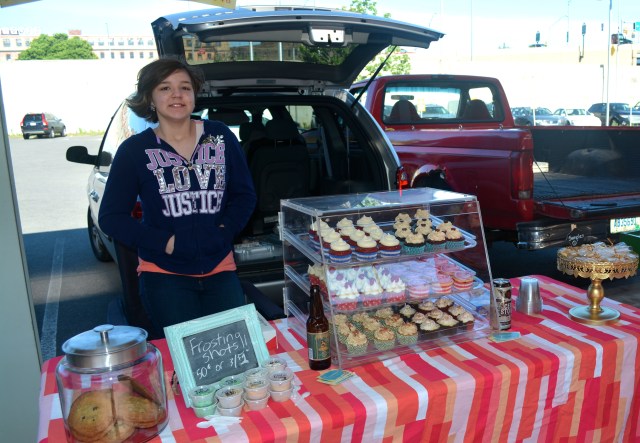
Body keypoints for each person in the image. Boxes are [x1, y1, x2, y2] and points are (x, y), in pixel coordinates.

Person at [99, 58, 257, 338]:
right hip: (164, 276)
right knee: (185, 360)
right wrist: (166, 243)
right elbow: (111, 218)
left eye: (185, 87)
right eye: (165, 88)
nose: (177, 94)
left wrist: (224, 232)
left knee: (233, 352)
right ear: (149, 97)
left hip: (220, 268)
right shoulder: (135, 150)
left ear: (195, 95)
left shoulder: (219, 137)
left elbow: (244, 195)